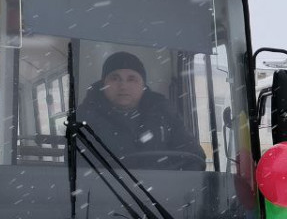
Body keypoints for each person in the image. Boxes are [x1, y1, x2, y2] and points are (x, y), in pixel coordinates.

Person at [78, 51, 206, 170]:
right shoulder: (84, 118)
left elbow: (194, 157)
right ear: (103, 84)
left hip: (161, 192)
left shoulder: (165, 113)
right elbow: (80, 170)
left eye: (131, 79)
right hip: (104, 193)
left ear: (143, 85)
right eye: (115, 78)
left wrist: (174, 186)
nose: (123, 86)